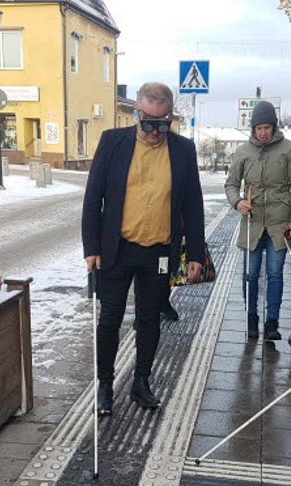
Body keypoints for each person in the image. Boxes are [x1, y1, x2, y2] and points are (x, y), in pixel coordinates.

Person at [82, 82, 205, 416]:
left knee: (149, 321)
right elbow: (94, 198)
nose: (153, 130)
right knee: (109, 320)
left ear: (170, 118)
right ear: (137, 114)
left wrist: (195, 252)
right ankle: (105, 385)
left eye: (162, 123)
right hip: (117, 250)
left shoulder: (183, 150)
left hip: (159, 253)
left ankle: (141, 382)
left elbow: (192, 204)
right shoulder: (113, 142)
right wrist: (91, 246)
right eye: (147, 122)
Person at [225, 101, 291, 340]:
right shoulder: (243, 152)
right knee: (250, 274)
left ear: (274, 127)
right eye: (258, 128)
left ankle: (272, 323)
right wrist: (237, 202)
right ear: (253, 129)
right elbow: (231, 184)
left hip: (279, 224)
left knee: (274, 273)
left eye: (266, 128)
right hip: (252, 223)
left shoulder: (288, 150)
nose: (262, 132)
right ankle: (252, 319)